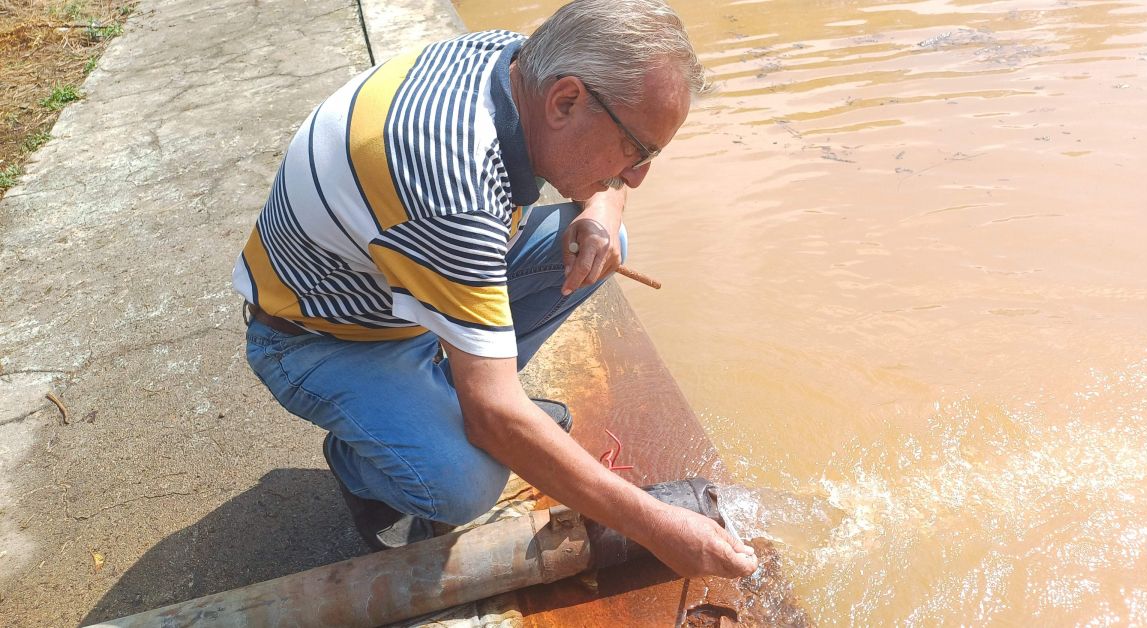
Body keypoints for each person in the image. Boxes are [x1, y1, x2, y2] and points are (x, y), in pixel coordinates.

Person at [233, 0, 756, 579]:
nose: (636, 175)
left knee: (607, 246)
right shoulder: (452, 189)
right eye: (637, 150)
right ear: (566, 100)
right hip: (322, 338)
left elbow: (606, 196)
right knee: (464, 484)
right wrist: (659, 526)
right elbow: (493, 419)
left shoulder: (512, 60)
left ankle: (441, 388)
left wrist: (602, 210)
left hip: (401, 288)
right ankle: (360, 462)